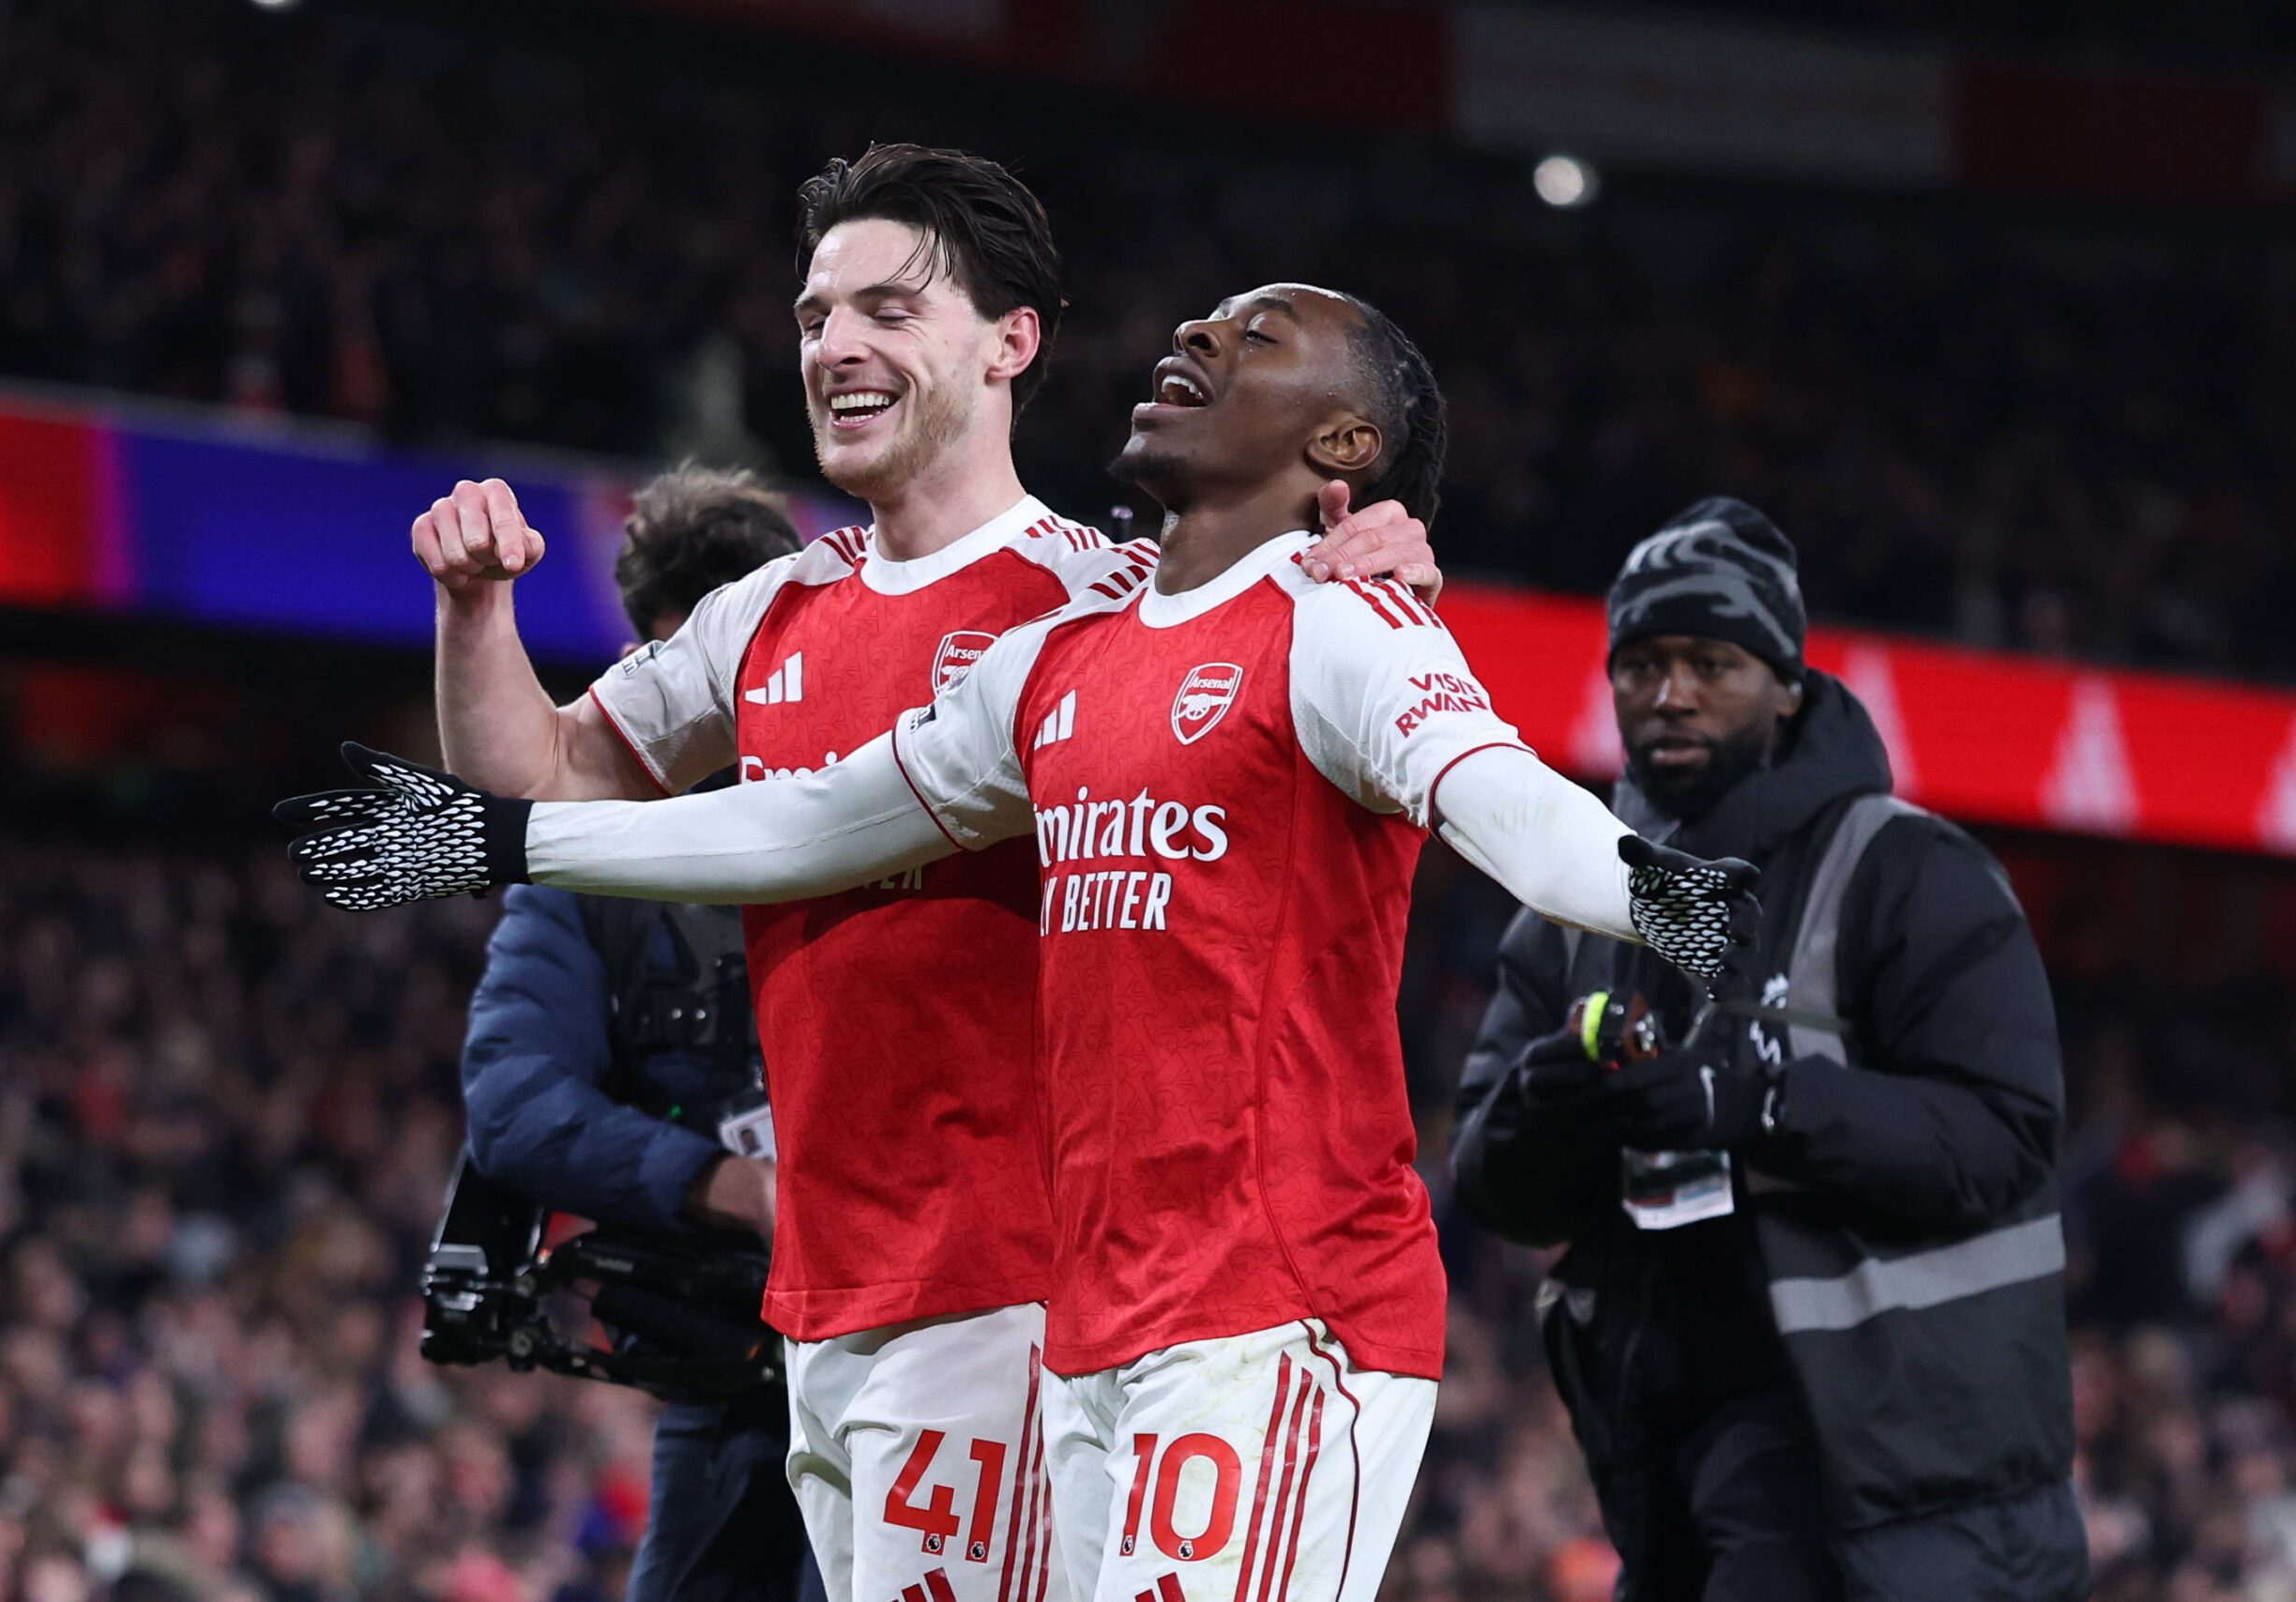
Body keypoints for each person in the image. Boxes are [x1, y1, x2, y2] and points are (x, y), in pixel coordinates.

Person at [279, 282, 1759, 1602]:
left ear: (1343, 451)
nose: (1197, 335)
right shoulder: (1061, 658)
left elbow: (1502, 796)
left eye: (1259, 338)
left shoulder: (1342, 623)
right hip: (1090, 1326)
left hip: (1280, 1311)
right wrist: (509, 839)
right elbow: (802, 828)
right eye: (1204, 321)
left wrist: (1671, 896)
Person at [403, 146, 1441, 1602]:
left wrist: (1362, 552)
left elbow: (1304, 673)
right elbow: (545, 775)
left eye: (890, 308)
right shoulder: (774, 609)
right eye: (819, 312)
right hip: (827, 1285)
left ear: (1012, 340)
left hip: (1016, 1284)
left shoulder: (1109, 602)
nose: (838, 345)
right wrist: (475, 609)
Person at [1446, 499, 2087, 1601]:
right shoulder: (1572, 905)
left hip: (1904, 1484)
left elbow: (2004, 1137)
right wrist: (1536, 1109)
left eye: (1710, 661)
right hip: (1674, 1460)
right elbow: (1497, 1190)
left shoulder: (1910, 872)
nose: (1671, 693)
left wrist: (1759, 1099)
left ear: (1786, 684)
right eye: (1641, 664)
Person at [456, 466, 818, 1602]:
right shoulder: (593, 864)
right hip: (733, 1383)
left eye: (721, 677)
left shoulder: (901, 803)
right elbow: (512, 1105)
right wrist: (729, 1185)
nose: (692, 718)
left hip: (936, 1357)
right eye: (666, 675)